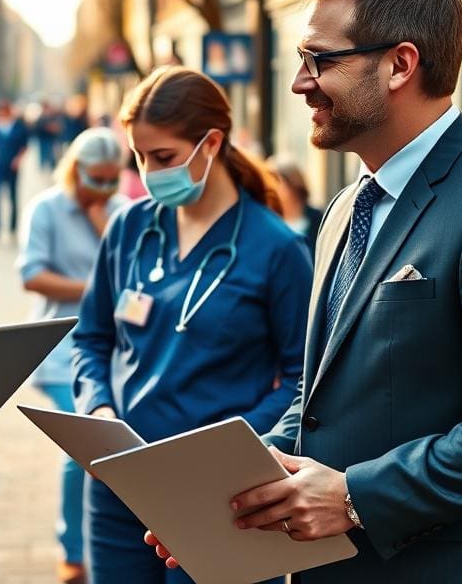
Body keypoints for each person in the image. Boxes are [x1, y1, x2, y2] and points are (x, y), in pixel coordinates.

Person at [148, 0, 462, 583]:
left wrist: (357, 497)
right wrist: (238, 494)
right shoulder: (344, 206)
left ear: (400, 64)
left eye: (320, 60)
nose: (300, 84)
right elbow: (323, 395)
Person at [73, 67, 312, 584]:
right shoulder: (130, 229)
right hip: (120, 482)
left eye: (162, 158)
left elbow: (304, 381)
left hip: (222, 495)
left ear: (212, 143)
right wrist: (97, 407)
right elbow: (91, 338)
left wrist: (233, 443)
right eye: (138, 156)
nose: (147, 171)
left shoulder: (277, 249)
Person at [17, 127, 128, 584]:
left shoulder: (120, 212)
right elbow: (33, 275)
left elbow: (131, 276)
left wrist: (105, 222)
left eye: (110, 179)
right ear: (74, 170)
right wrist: (94, 291)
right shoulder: (46, 208)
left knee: (111, 447)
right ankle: (73, 550)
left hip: (113, 351)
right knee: (82, 449)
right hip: (59, 348)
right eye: (94, 179)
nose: (102, 188)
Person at [0, 100, 29, 241]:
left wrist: (18, 160)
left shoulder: (18, 127)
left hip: (12, 168)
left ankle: (13, 227)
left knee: (12, 197)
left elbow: (24, 146)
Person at [267, 154, 324, 255]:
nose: (271, 188)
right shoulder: (268, 223)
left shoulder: (320, 219)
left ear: (293, 182)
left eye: (276, 181)